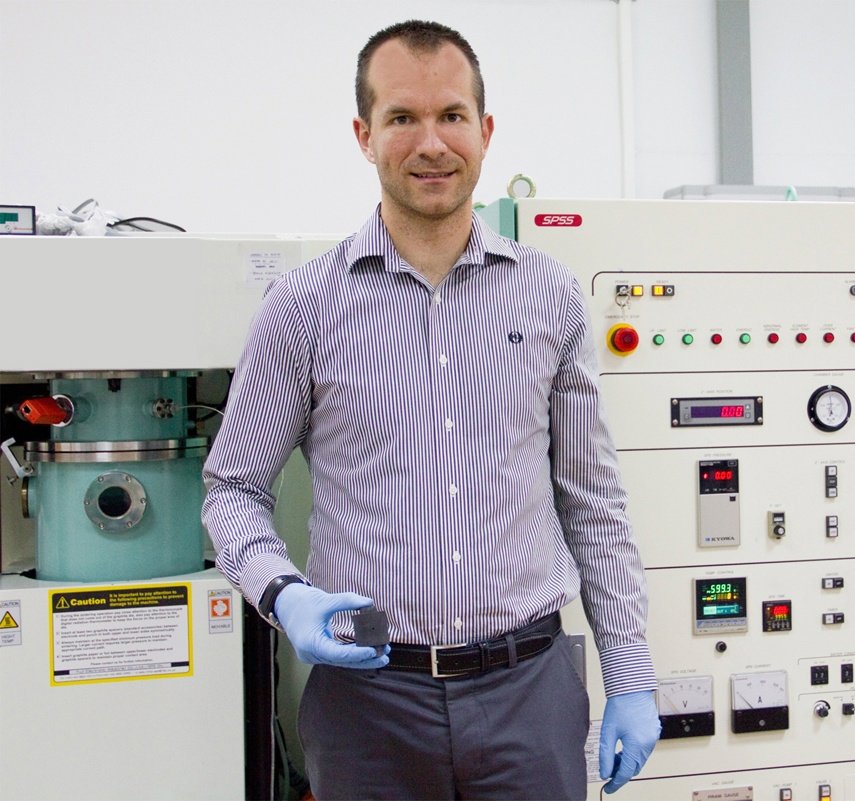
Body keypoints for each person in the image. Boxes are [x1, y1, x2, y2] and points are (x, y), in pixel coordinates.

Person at [201, 19, 660, 801]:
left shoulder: (549, 294)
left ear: (485, 131)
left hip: (529, 693)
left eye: (451, 115)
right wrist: (285, 593)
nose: (431, 143)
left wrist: (631, 672)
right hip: (369, 700)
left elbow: (593, 501)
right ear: (364, 135)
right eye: (401, 117)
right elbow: (232, 491)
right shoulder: (302, 307)